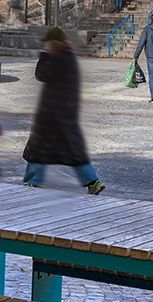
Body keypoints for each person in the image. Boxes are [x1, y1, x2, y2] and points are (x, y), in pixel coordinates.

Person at [22, 27, 104, 195]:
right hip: (66, 112)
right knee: (73, 150)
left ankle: (34, 181)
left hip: (52, 113)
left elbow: (41, 74)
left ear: (54, 42)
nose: (47, 45)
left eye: (49, 42)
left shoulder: (58, 58)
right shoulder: (69, 57)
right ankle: (93, 181)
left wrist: (45, 55)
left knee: (39, 147)